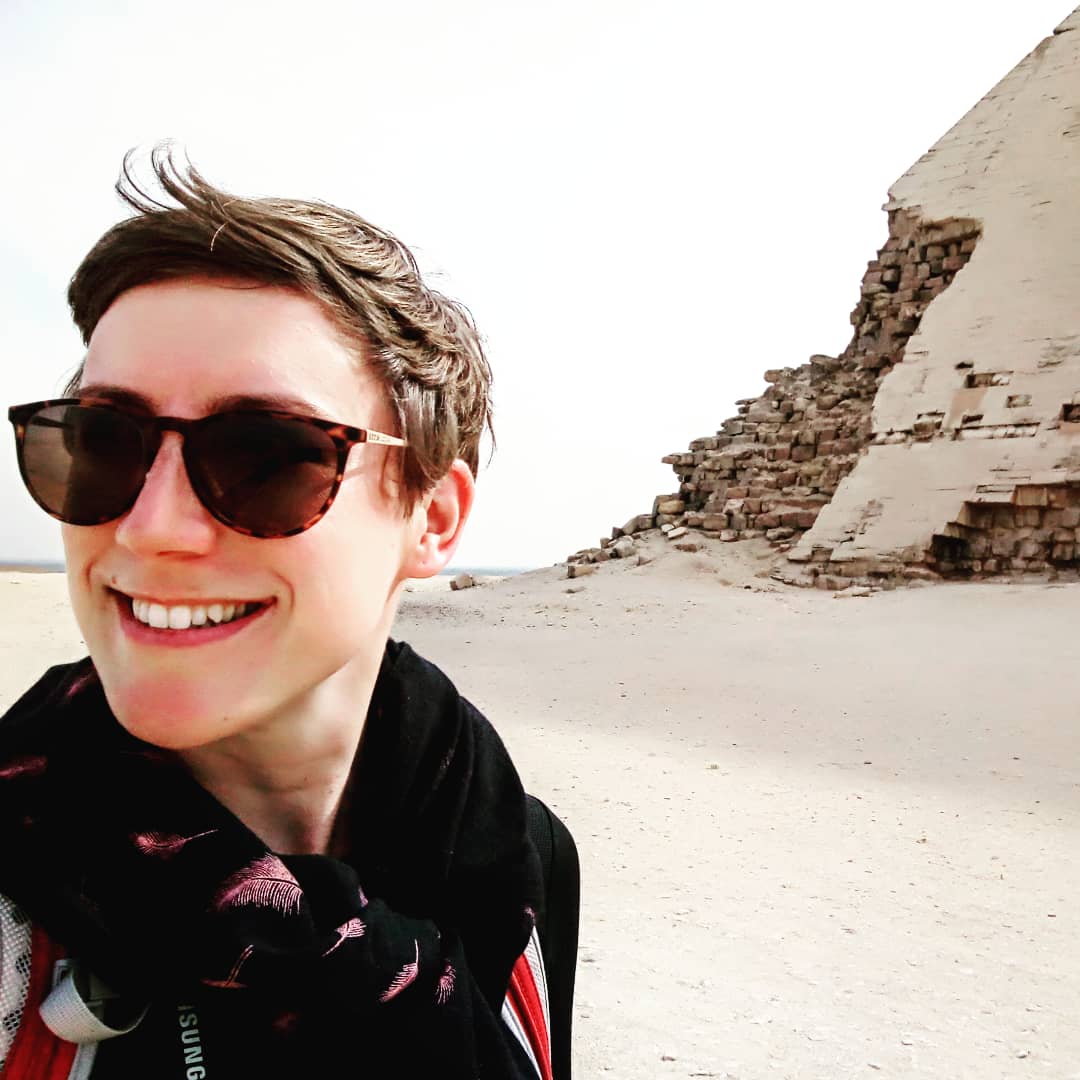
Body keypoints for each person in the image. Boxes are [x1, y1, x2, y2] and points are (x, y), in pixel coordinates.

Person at [0, 147, 547, 1079]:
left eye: (266, 456)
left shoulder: (515, 858)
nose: (151, 527)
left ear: (433, 519)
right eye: (103, 442)